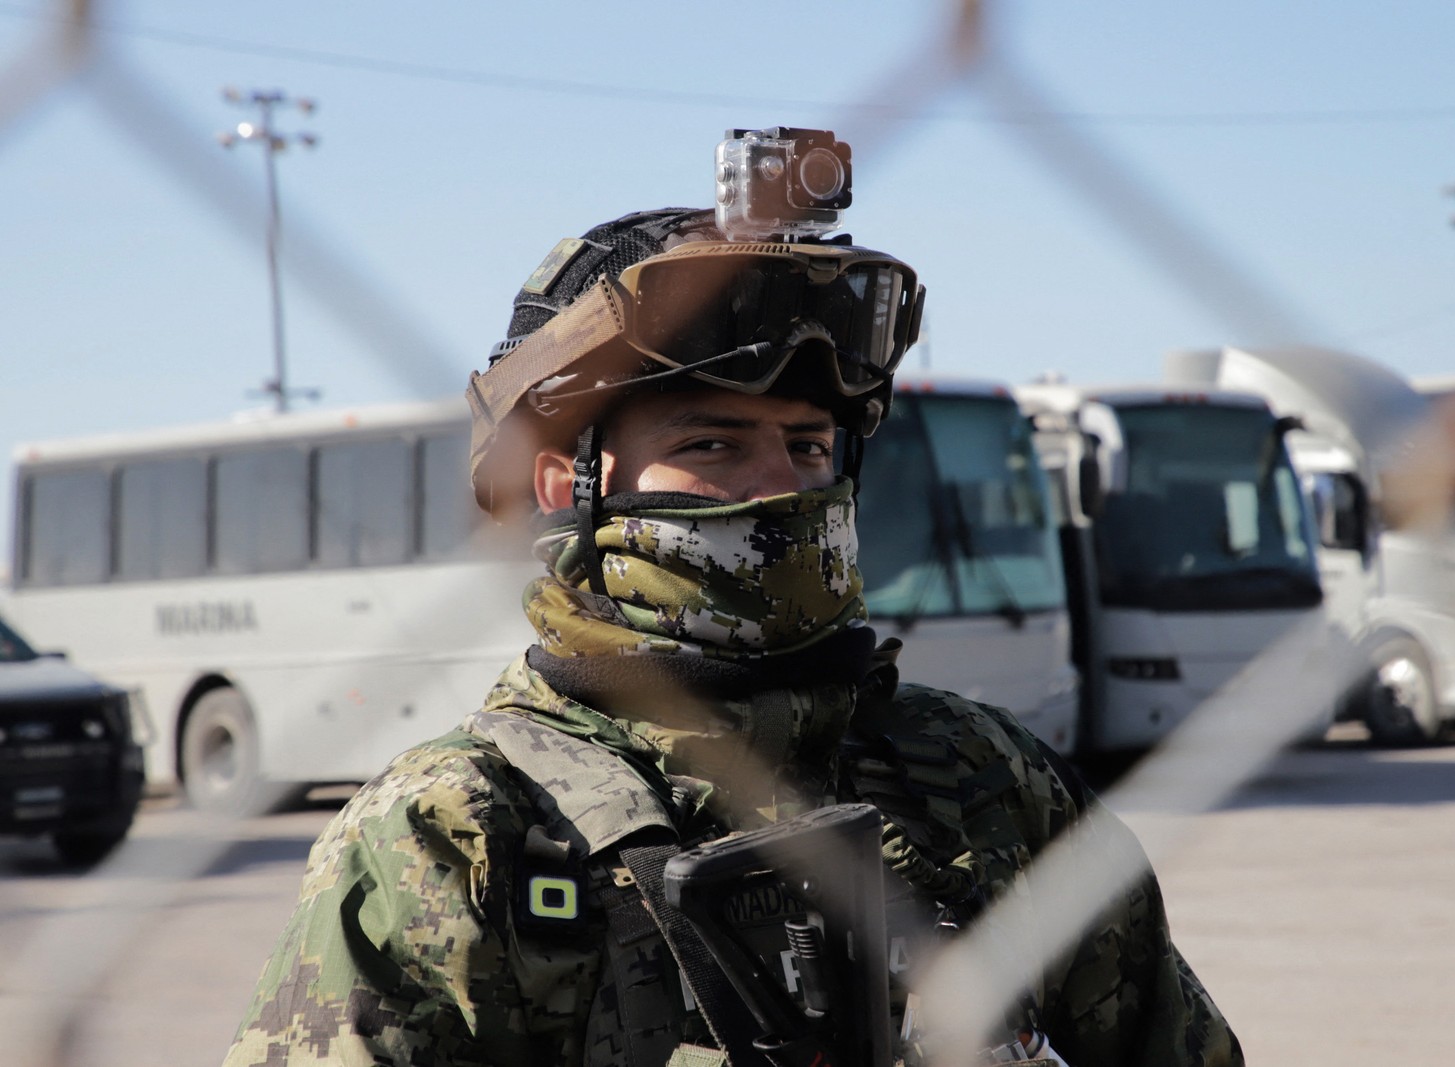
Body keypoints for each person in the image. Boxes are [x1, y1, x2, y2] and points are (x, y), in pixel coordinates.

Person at [224, 135, 1242, 1067]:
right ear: (558, 483)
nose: (778, 489)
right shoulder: (457, 831)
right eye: (710, 446)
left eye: (807, 448)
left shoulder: (983, 778)